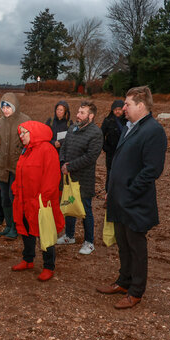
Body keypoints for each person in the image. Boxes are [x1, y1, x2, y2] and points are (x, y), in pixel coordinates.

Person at [98, 86, 167, 309]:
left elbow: (151, 170)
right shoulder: (131, 127)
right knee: (123, 245)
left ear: (141, 105)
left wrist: (128, 192)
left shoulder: (153, 130)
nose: (123, 107)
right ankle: (124, 282)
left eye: (127, 104)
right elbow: (119, 163)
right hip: (119, 200)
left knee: (136, 247)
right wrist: (112, 190)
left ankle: (136, 291)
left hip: (135, 202)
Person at [10, 120, 64, 280]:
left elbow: (53, 176)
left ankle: (49, 266)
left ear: (33, 133)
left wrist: (44, 198)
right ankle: (28, 259)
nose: (21, 136)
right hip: (25, 199)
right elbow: (19, 172)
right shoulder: (26, 150)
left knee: (44, 232)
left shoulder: (47, 150)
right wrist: (15, 188)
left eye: (24, 132)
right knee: (26, 229)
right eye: (20, 133)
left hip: (41, 201)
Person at [56, 101, 103, 255]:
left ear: (91, 116)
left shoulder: (95, 133)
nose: (78, 115)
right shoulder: (73, 128)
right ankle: (70, 236)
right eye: (78, 111)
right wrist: (62, 162)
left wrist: (70, 166)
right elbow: (64, 146)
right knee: (69, 205)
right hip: (68, 176)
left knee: (85, 210)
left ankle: (89, 242)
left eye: (82, 113)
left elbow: (90, 157)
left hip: (83, 178)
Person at [0, 93, 30, 239]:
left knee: (14, 197)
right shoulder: (1, 121)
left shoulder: (24, 120)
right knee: (4, 198)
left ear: (15, 106)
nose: (5, 110)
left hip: (17, 166)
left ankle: (16, 227)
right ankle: (8, 225)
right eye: (3, 107)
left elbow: (29, 144)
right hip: (3, 166)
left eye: (8, 106)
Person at [101, 100, 127, 190]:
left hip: (124, 152)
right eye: (115, 109)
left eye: (119, 109)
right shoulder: (108, 121)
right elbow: (101, 135)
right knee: (110, 173)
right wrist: (105, 147)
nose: (117, 111)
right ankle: (108, 194)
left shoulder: (128, 121)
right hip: (111, 152)